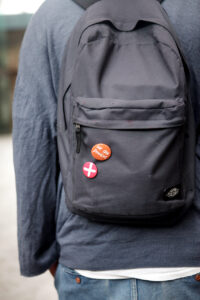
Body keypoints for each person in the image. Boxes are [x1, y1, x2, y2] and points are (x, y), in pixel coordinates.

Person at [12, 0, 200, 299]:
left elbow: (33, 143)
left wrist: (38, 252)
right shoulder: (193, 11)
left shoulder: (52, 15)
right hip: (188, 258)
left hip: (87, 259)